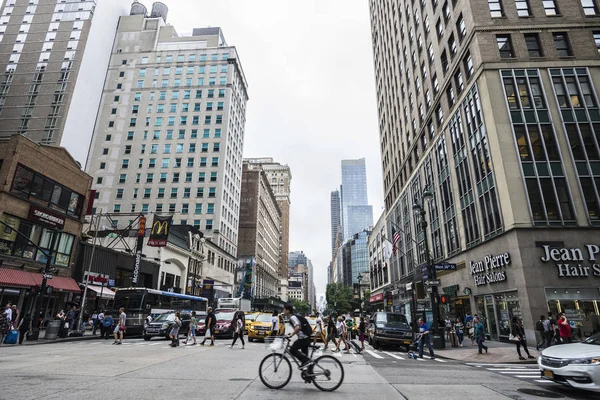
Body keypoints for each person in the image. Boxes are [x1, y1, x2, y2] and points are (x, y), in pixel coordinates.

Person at [282, 303, 312, 369]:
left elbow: (298, 327)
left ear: (288, 311)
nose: (283, 310)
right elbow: (297, 328)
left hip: (303, 338)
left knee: (292, 350)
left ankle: (308, 362)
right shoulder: (293, 317)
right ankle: (310, 375)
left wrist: (291, 335)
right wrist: (290, 333)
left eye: (284, 309)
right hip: (306, 337)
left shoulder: (292, 317)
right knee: (305, 359)